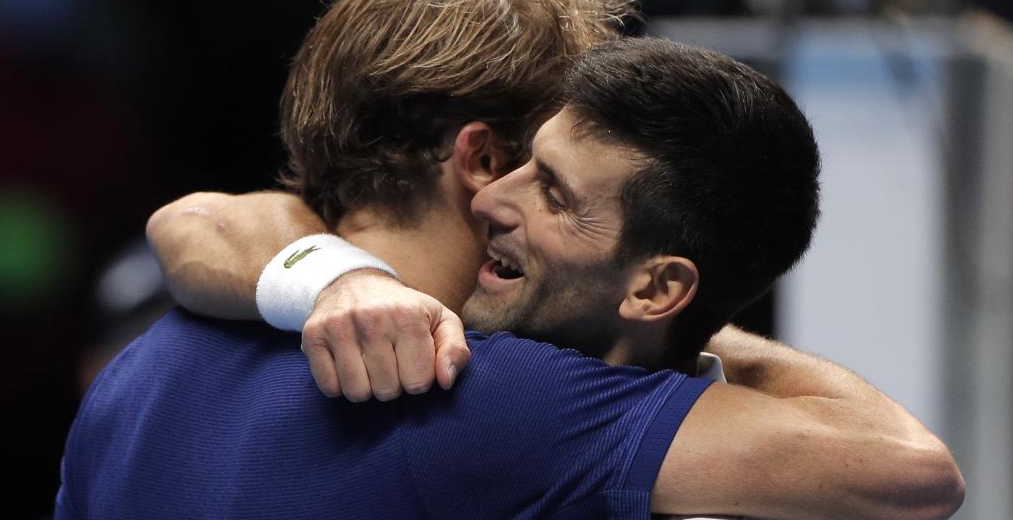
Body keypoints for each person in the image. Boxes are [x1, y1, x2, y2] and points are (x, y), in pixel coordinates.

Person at [62, 34, 963, 517]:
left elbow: (191, 220)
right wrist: (691, 326)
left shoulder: (144, 363)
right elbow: (914, 473)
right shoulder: (505, 397)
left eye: (555, 192)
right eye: (520, 162)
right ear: (474, 151)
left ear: (657, 285)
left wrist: (328, 269)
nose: (499, 198)